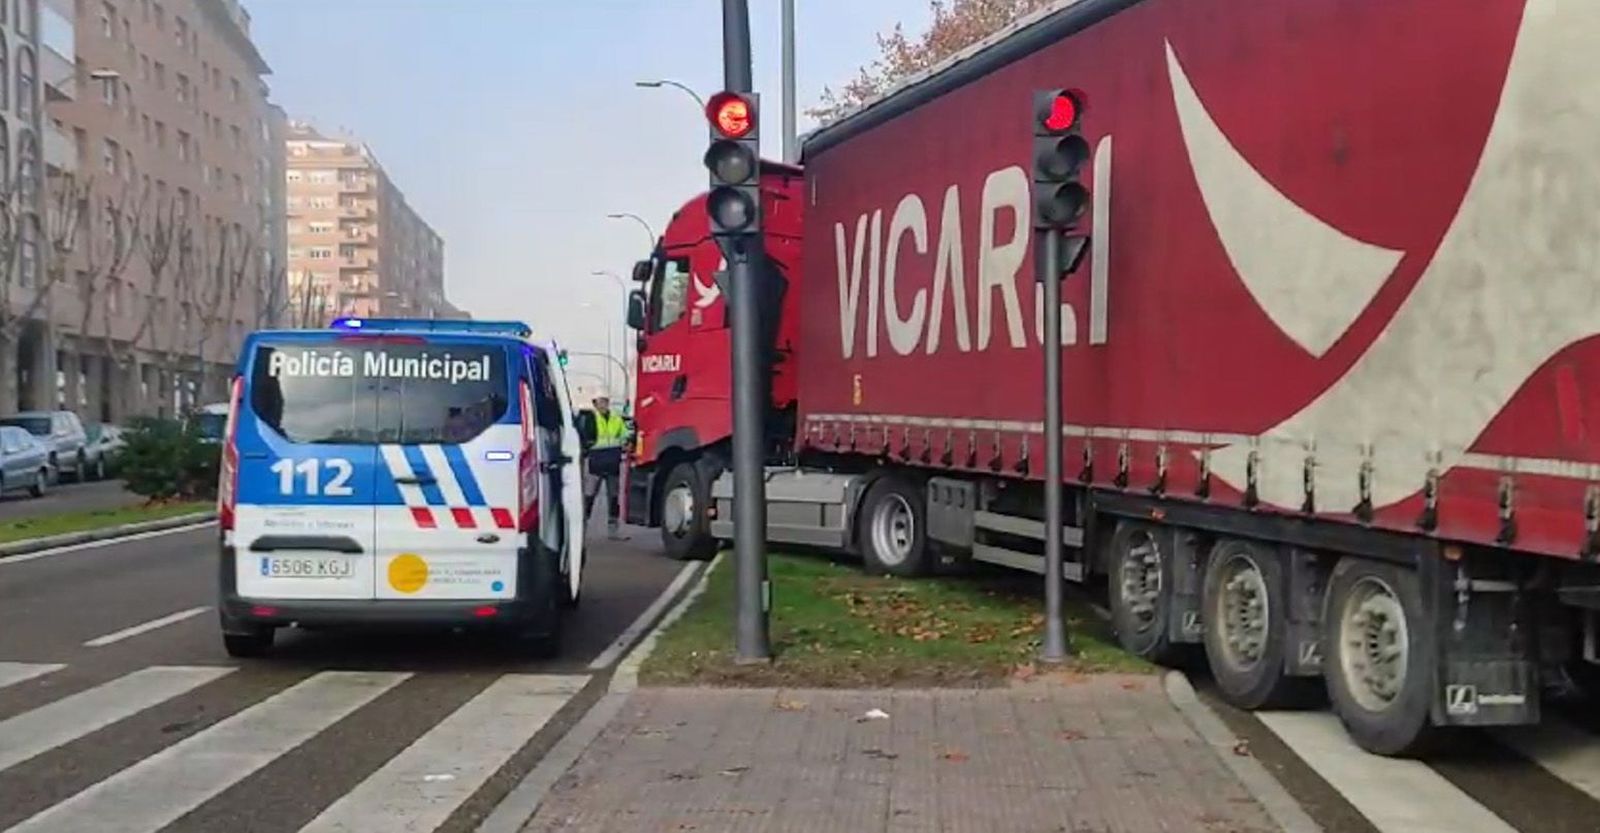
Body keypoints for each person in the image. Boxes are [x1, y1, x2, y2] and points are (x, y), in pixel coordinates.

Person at [581, 396, 628, 539]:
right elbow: (585, 437)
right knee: (589, 497)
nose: (602, 405)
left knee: (613, 498)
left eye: (604, 401)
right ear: (595, 404)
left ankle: (613, 531)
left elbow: (625, 435)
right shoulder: (591, 418)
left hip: (612, 463)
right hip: (596, 463)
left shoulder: (616, 418)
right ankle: (582, 528)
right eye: (599, 402)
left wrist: (626, 443)